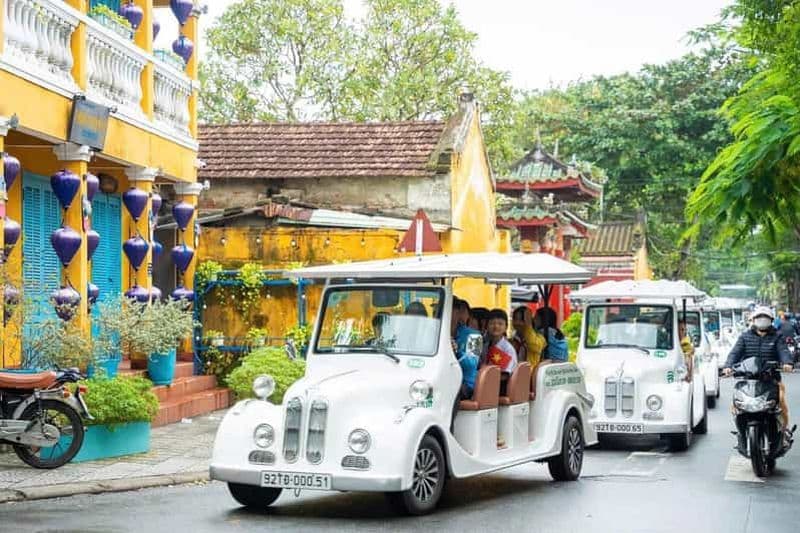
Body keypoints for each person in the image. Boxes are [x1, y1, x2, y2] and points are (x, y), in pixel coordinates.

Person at [723, 306, 794, 442]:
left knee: (782, 404)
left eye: (765, 317)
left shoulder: (777, 337)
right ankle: (741, 432)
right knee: (736, 406)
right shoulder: (744, 337)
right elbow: (735, 353)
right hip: (748, 381)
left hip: (771, 380)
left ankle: (784, 431)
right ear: (753, 320)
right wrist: (728, 366)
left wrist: (787, 363)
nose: (762, 320)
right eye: (759, 317)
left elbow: (784, 351)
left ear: (771, 320)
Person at [483, 308, 518, 395]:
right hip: (486, 382)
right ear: (487, 326)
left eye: (500, 324)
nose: (496, 326)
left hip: (501, 387)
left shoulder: (508, 349)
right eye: (492, 323)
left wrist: (485, 379)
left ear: (506, 327)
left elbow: (505, 375)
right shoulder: (485, 345)